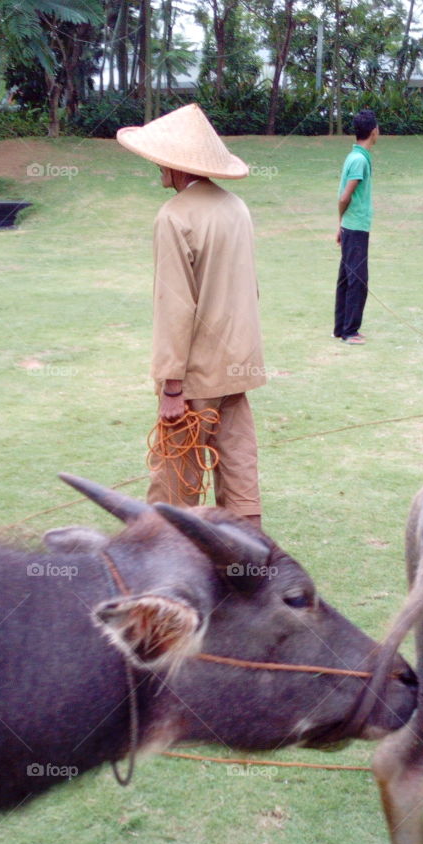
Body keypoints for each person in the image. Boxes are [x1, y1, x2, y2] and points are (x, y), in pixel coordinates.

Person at [116, 103, 266, 527]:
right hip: (238, 367)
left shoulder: (174, 216)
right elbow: (247, 289)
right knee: (239, 477)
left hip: (197, 375)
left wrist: (171, 387)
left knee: (173, 486)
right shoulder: (236, 207)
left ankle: (164, 572)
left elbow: (175, 307)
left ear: (175, 164)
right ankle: (249, 568)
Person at [334, 108, 379, 345]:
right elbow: (345, 197)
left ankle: (341, 328)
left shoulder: (355, 157)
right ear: (374, 132)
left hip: (352, 225)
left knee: (346, 277)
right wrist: (342, 224)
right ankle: (350, 331)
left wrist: (341, 225)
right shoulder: (359, 160)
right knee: (357, 279)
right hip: (356, 226)